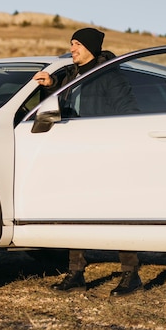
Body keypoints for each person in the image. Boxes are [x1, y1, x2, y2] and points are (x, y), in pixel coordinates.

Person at [34, 27, 143, 297]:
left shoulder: (109, 75)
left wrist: (111, 141)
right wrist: (50, 87)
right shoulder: (70, 76)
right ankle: (76, 274)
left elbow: (129, 113)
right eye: (71, 43)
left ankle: (131, 275)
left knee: (117, 215)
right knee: (76, 212)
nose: (72, 48)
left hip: (106, 152)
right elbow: (58, 109)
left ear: (91, 47)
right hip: (77, 154)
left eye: (77, 44)